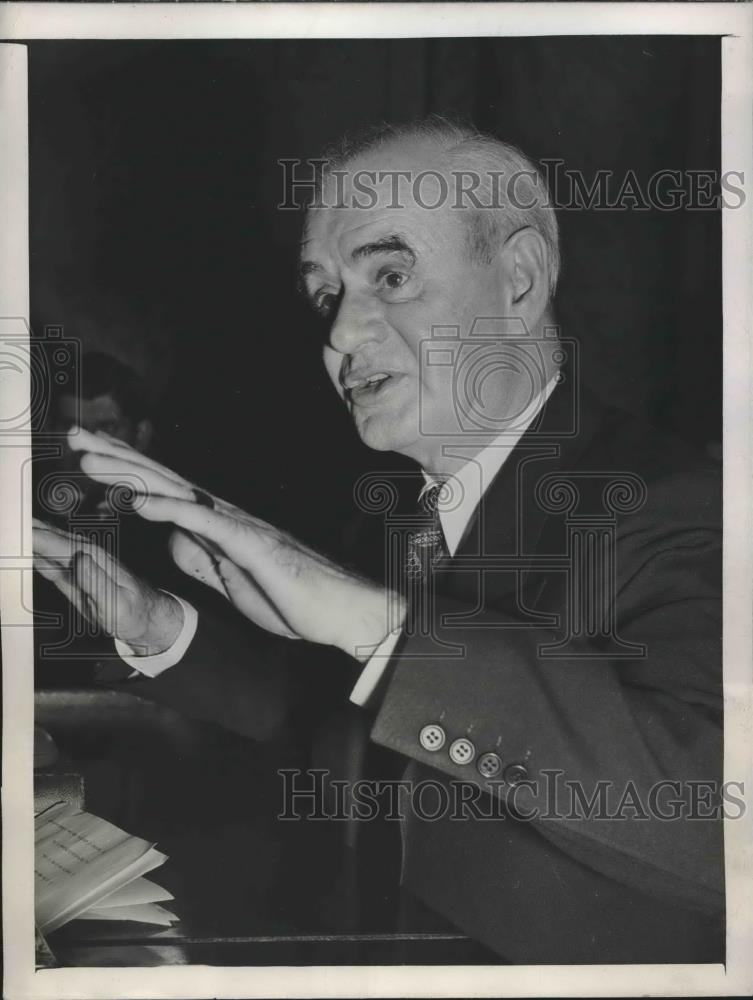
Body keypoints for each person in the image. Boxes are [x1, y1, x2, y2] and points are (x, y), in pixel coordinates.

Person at [35, 118, 723, 963]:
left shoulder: (683, 505)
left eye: (389, 275)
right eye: (326, 293)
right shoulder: (402, 512)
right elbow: (357, 726)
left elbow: (714, 821)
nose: (338, 335)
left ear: (518, 278)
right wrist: (160, 629)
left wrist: (384, 629)